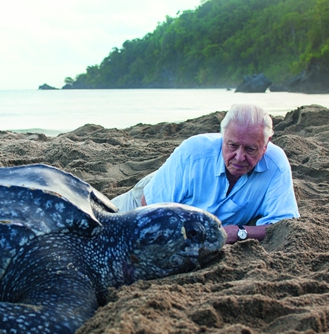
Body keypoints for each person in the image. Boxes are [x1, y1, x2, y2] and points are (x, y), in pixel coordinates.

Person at [111, 103, 299, 244]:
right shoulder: (194, 153)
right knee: (103, 224)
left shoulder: (276, 165)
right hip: (151, 195)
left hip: (197, 221)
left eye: (250, 149)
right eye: (232, 145)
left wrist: (240, 232)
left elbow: (284, 224)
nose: (239, 157)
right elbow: (149, 206)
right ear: (222, 138)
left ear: (266, 145)